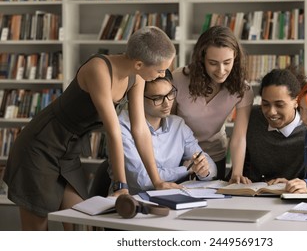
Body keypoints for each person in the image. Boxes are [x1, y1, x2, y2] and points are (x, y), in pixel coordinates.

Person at [3, 26, 180, 230]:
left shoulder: (137, 77)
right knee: (37, 232)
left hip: (68, 153)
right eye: (160, 70)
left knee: (81, 226)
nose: (162, 74)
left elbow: (140, 129)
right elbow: (114, 132)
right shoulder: (99, 69)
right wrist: (121, 187)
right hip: (39, 148)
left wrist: (157, 180)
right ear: (139, 63)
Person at [110, 70, 217, 195]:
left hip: (170, 199)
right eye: (157, 98)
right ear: (137, 97)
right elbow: (142, 180)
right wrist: (187, 169)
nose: (167, 103)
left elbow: (211, 167)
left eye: (170, 93)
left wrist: (204, 169)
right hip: (132, 202)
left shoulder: (178, 125)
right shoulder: (122, 126)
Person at [171, 25, 254, 182]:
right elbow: (168, 125)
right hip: (179, 157)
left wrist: (237, 173)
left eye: (227, 62)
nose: (221, 70)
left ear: (235, 58)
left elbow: (239, 136)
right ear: (201, 59)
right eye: (213, 63)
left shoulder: (243, 90)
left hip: (215, 157)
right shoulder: (178, 79)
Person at [243, 66, 307, 183]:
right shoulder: (252, 117)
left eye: (279, 105)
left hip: (293, 196)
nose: (271, 112)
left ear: (296, 102)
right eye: (265, 104)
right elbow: (244, 165)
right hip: (253, 193)